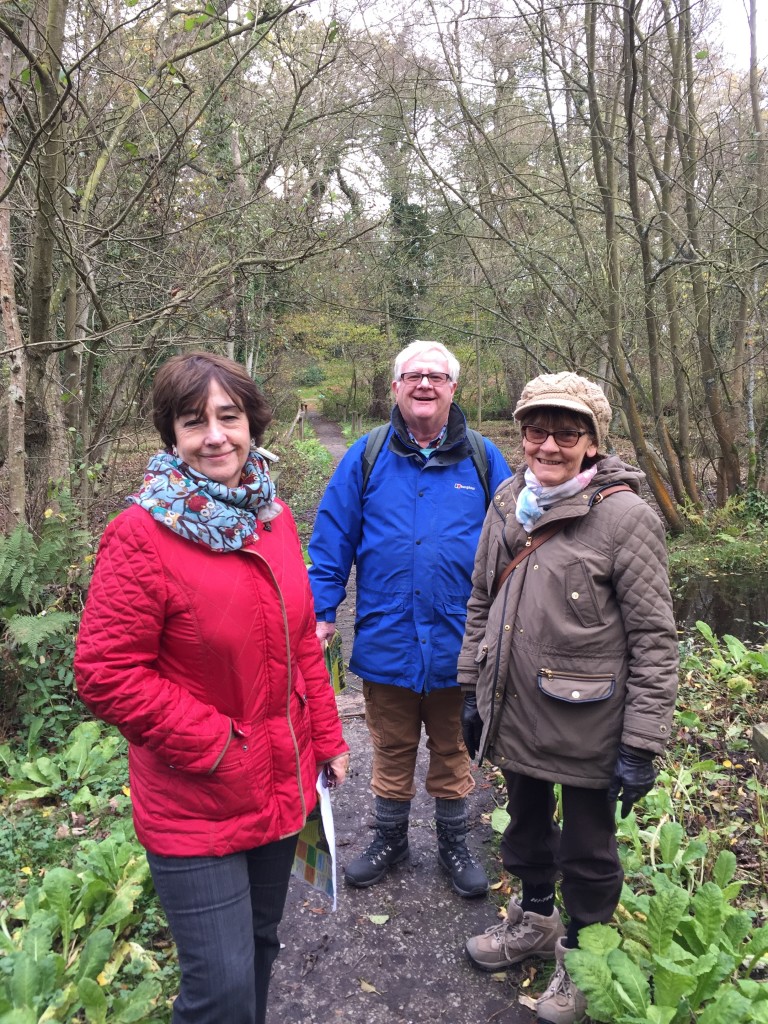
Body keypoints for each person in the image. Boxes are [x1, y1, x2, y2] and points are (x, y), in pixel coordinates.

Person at [75, 351, 349, 1024]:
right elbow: (105, 672)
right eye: (193, 421)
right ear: (171, 434)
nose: (215, 435)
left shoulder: (273, 518)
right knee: (218, 991)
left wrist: (326, 737)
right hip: (197, 797)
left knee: (260, 946)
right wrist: (220, 744)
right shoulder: (141, 533)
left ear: (252, 424)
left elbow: (299, 640)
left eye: (229, 416)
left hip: (281, 784)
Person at [459, 371, 678, 1024]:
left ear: (592, 441)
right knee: (524, 830)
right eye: (536, 429)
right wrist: (471, 689)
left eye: (567, 431)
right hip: (516, 710)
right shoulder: (506, 502)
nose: (548, 444)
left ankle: (581, 961)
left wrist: (641, 742)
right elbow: (480, 601)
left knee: (588, 851)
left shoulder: (625, 518)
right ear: (521, 434)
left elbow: (654, 639)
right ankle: (534, 923)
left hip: (590, 724)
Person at [308, 339, 510, 898]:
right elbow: (332, 538)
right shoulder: (367, 456)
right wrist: (321, 611)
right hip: (388, 633)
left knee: (453, 746)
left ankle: (453, 842)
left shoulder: (484, 457)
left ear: (453, 389)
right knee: (391, 745)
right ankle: (390, 837)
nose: (425, 384)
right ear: (396, 387)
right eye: (413, 375)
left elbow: (517, 543)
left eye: (437, 376)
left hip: (459, 639)